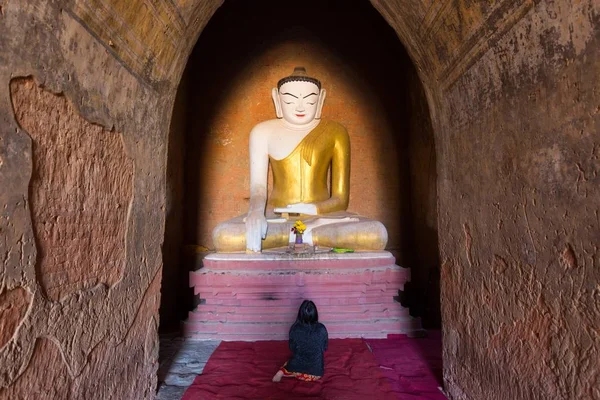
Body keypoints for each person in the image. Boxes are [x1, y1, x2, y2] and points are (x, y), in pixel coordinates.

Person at [212, 67, 388, 253]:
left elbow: (340, 199)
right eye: (290, 100)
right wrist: (256, 213)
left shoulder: (335, 132)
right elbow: (258, 190)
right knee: (224, 236)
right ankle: (305, 235)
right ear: (277, 99)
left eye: (310, 100)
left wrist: (312, 209)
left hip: (324, 217)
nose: (300, 107)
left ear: (320, 100)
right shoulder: (262, 132)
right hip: (277, 216)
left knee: (376, 233)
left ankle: (298, 235)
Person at [272, 300, 328, 382]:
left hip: (298, 372)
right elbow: (324, 347)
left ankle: (281, 372)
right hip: (316, 374)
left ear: (300, 314)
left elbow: (292, 348)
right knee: (316, 361)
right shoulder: (321, 328)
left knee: (290, 362)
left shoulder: (294, 328)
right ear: (315, 314)